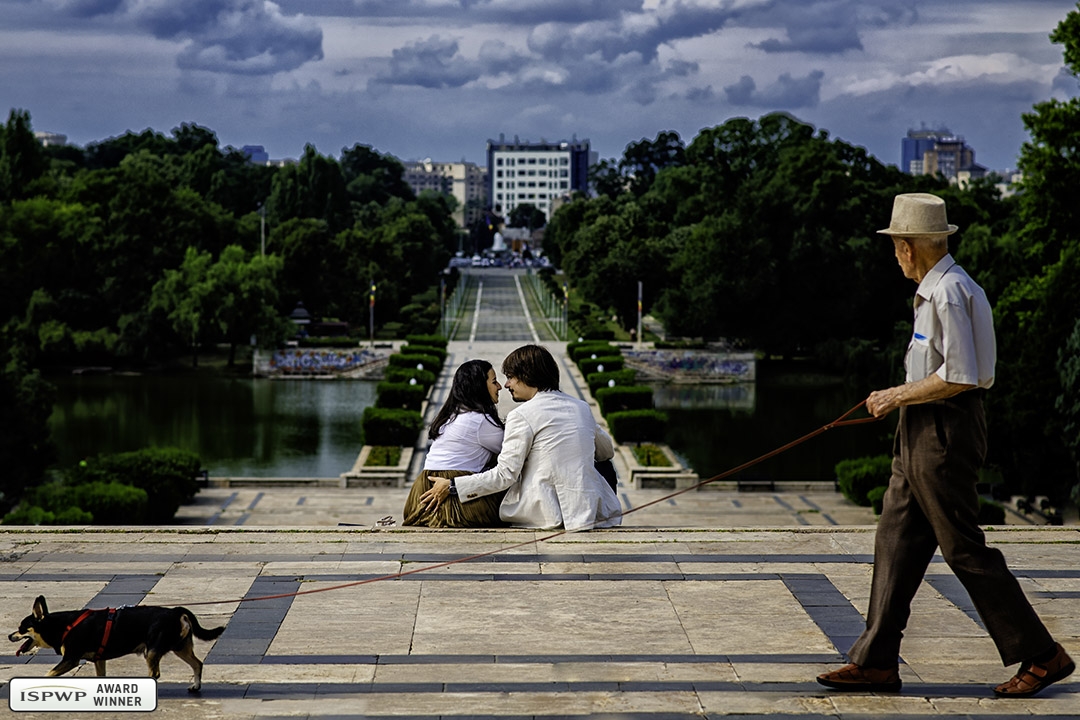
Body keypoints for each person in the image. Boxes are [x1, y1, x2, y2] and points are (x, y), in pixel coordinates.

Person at [817, 193, 1074, 697]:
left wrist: (895, 395)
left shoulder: (951, 292)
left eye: (896, 246)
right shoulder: (937, 291)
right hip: (919, 427)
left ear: (910, 248)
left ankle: (1043, 655)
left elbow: (961, 376)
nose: (895, 255)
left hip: (944, 430)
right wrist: (902, 402)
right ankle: (875, 661)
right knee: (895, 537)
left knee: (961, 547)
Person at [419, 344, 622, 531]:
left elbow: (505, 475)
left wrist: (453, 485)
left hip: (545, 514)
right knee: (604, 466)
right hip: (587, 512)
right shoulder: (581, 407)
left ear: (527, 376)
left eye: (510, 377)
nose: (506, 385)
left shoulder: (522, 414)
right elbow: (606, 452)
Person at [402, 359, 506, 528]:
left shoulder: (451, 416)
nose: (499, 387)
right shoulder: (479, 420)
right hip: (453, 504)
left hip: (420, 496)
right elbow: (513, 454)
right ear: (479, 386)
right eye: (494, 382)